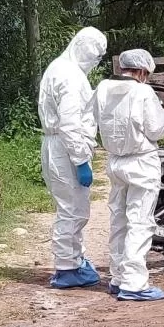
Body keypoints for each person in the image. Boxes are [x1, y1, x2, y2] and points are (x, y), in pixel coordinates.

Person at [90, 49, 164, 301]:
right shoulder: (143, 92)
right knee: (140, 221)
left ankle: (118, 277)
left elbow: (91, 120)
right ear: (143, 71)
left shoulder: (103, 88)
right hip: (141, 163)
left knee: (119, 220)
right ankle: (134, 283)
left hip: (115, 162)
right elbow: (156, 130)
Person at [38, 27, 107, 289]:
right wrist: (80, 161)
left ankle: (74, 260)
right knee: (72, 209)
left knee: (72, 208)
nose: (95, 61)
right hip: (66, 148)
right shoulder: (69, 76)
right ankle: (67, 268)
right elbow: (70, 124)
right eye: (95, 55)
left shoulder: (59, 67)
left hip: (57, 145)